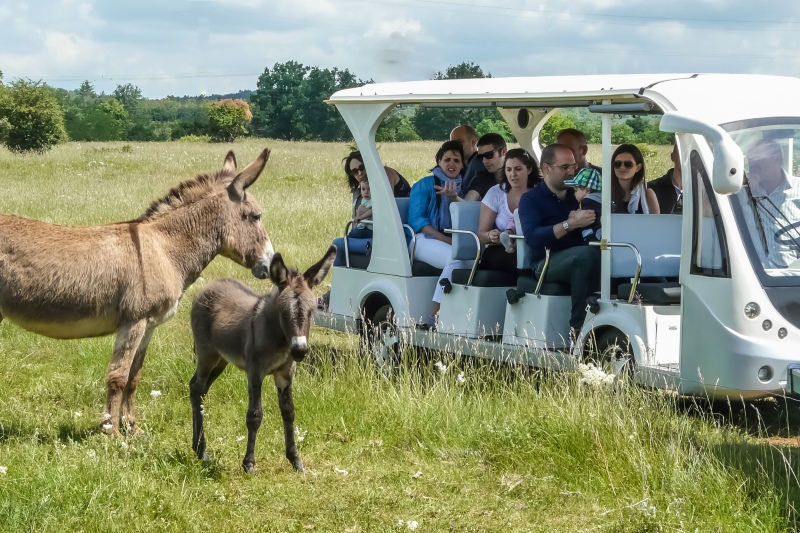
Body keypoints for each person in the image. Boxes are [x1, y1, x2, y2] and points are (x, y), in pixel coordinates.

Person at [518, 144, 600, 337]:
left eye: (573, 166)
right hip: (545, 262)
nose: (571, 172)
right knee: (586, 255)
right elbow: (532, 237)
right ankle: (578, 328)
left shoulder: (578, 196)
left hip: (579, 255)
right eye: (564, 167)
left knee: (603, 253)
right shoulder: (531, 199)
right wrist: (570, 224)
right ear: (546, 168)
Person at [408, 140, 470, 329]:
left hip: (453, 239)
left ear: (462, 164)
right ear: (439, 161)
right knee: (455, 258)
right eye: (447, 159)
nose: (452, 164)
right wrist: (446, 239)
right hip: (423, 239)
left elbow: (468, 216)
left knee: (470, 260)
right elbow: (417, 221)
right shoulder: (424, 184)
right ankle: (433, 316)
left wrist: (453, 198)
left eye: (457, 160)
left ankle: (458, 316)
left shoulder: (464, 187)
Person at [738, 139, 800, 269]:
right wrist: (742, 187)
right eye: (750, 158)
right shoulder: (742, 192)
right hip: (754, 276)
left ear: (776, 159)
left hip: (792, 275)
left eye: (758, 157)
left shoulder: (797, 189)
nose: (752, 163)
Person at [478, 148, 541, 273]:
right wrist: (491, 236)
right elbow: (481, 234)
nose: (513, 174)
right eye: (508, 169)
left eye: (518, 169)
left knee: (530, 257)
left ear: (529, 169)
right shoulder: (495, 192)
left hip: (533, 247)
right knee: (523, 261)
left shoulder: (540, 192)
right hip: (501, 249)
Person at [610, 144, 660, 214]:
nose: (622, 167)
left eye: (628, 164)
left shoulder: (648, 194)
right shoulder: (605, 193)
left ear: (638, 167)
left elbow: (655, 223)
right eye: (617, 164)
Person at [463, 133, 507, 201]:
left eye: (488, 155)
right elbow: (467, 204)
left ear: (504, 151)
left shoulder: (516, 175)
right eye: (480, 157)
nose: (484, 161)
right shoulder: (481, 178)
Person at [564, 168, 602, 243]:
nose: (574, 194)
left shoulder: (588, 202)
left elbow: (584, 216)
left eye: (576, 190)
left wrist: (572, 216)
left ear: (587, 190)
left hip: (593, 241)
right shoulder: (602, 201)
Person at [649, 143, 683, 214]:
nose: (687, 159)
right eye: (682, 153)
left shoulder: (702, 190)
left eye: (691, 155)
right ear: (673, 157)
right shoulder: (653, 189)